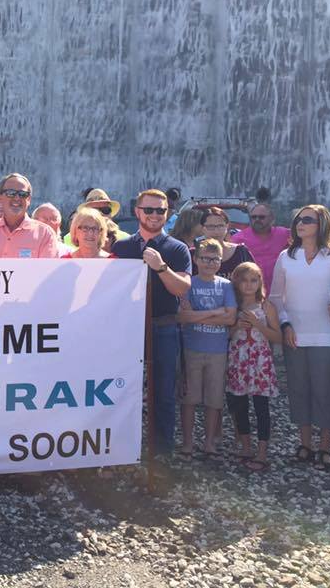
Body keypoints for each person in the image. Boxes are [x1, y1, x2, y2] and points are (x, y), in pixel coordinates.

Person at [112, 189, 192, 457]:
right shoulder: (120, 248)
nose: (155, 215)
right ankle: (122, 450)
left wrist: (161, 267)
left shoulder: (177, 249)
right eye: (150, 210)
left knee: (164, 394)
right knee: (122, 392)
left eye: (161, 210)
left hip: (163, 328)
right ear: (137, 212)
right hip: (125, 330)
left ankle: (161, 456)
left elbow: (181, 289)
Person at [269, 204, 330, 471]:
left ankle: (325, 447)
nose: (301, 223)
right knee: (299, 389)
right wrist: (285, 324)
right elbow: (276, 297)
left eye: (308, 220)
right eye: (298, 219)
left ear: (322, 224)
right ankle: (305, 444)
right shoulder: (286, 256)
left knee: (324, 390)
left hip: (327, 335)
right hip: (294, 334)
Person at [177, 239, 237, 461]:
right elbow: (183, 316)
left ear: (220, 262)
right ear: (196, 259)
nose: (210, 263)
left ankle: (209, 441)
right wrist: (216, 313)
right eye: (205, 259)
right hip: (192, 348)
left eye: (215, 259)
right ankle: (188, 442)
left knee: (214, 399)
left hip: (218, 350)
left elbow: (230, 318)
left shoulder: (226, 285)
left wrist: (199, 314)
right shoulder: (188, 284)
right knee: (190, 398)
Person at [225, 262, 279, 472]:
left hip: (260, 360)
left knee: (261, 407)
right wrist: (236, 326)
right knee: (239, 405)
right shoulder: (233, 306)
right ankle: (246, 446)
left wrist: (258, 324)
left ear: (260, 282)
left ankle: (263, 450)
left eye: (253, 280)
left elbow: (278, 337)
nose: (248, 285)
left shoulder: (266, 306)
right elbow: (226, 335)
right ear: (236, 282)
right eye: (244, 280)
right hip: (238, 359)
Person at [0, 174, 61, 259]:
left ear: (29, 200)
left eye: (23, 194)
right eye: (10, 193)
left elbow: (47, 275)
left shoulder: (45, 234)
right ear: (0, 198)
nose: (16, 198)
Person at [231, 203, 291, 293]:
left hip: (280, 293)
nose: (257, 220)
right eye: (253, 217)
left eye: (261, 217)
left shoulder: (285, 234)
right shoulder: (238, 239)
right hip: (251, 295)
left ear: (272, 219)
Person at [197, 207, 255, 279]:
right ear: (202, 228)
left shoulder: (241, 252)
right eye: (211, 226)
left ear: (227, 227)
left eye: (220, 226)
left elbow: (254, 278)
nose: (216, 231)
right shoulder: (193, 253)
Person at [63, 189, 129, 248]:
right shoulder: (69, 239)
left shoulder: (125, 239)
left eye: (105, 210)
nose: (100, 215)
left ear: (110, 213)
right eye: (94, 211)